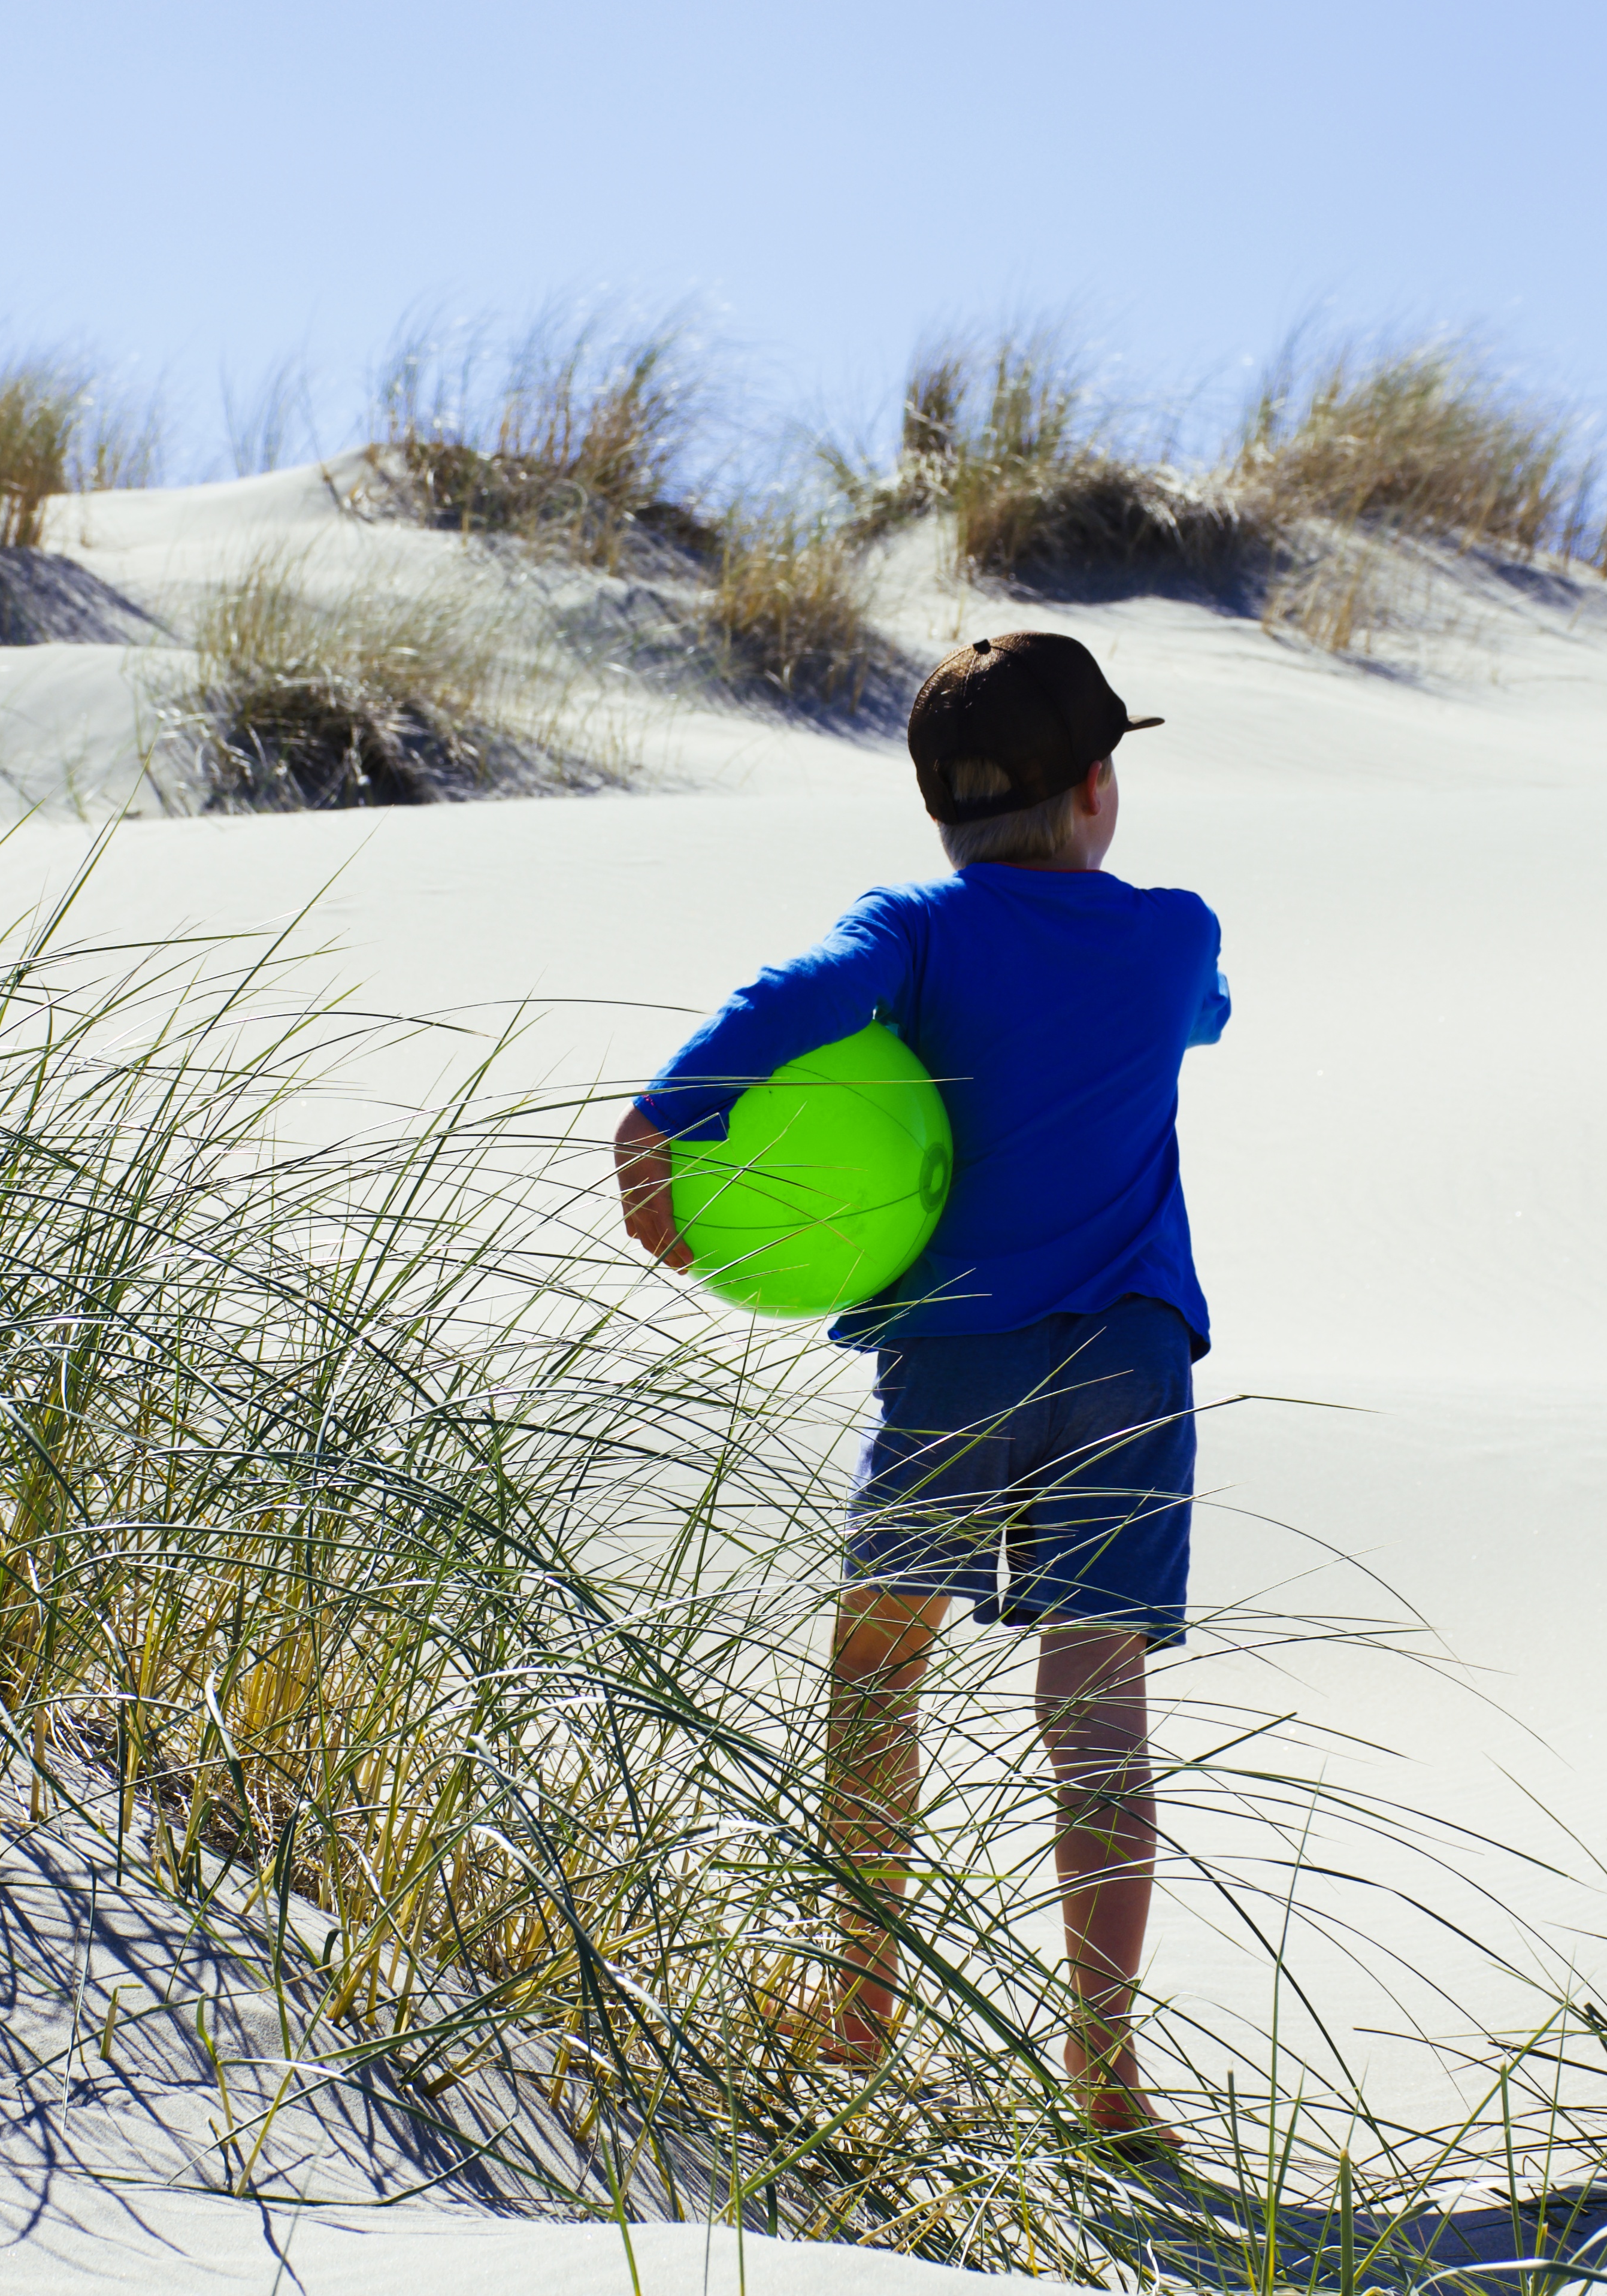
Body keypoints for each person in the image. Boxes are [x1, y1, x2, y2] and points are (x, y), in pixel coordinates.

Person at [612, 631, 1228, 2141]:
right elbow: (1204, 1012)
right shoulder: (1172, 936)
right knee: (1096, 1709)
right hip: (1131, 1355)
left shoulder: (920, 924)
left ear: (937, 804)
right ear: (1098, 788)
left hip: (957, 1354)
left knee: (881, 1661)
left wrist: (658, 1131)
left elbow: (789, 995)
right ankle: (1103, 2064)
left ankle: (863, 1993)